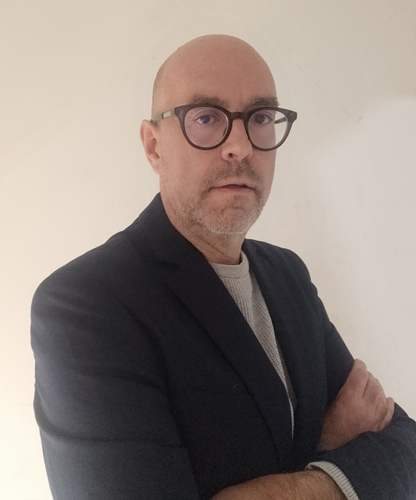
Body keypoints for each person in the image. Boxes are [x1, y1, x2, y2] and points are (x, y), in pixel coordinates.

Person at [31, 35, 416, 500]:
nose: (240, 146)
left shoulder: (288, 274)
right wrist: (330, 451)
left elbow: (404, 444)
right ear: (154, 146)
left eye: (260, 118)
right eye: (206, 118)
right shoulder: (85, 305)